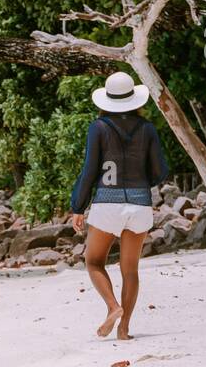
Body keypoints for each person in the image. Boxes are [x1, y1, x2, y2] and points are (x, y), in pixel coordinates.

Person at [68, 72, 170, 340]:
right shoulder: (147, 128)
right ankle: (124, 330)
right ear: (134, 100)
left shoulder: (98, 128)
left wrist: (78, 206)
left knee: (93, 262)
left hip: (107, 204)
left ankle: (113, 307)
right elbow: (160, 172)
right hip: (140, 205)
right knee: (130, 270)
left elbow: (89, 170)